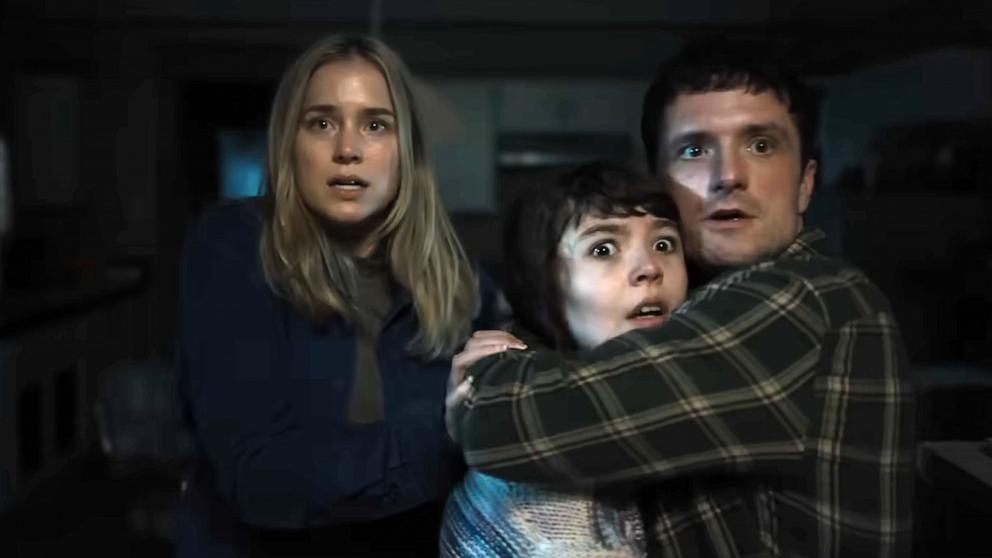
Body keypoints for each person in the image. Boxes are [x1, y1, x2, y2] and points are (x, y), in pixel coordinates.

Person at [447, 39, 915, 557]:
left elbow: (515, 421)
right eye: (694, 150)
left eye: (761, 145)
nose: (729, 176)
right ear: (661, 186)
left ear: (806, 184)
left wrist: (487, 379)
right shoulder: (695, 301)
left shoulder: (804, 297)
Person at [175, 34, 500, 557]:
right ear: (290, 143)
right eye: (322, 123)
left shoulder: (460, 281)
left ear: (406, 151)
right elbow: (260, 482)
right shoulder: (234, 246)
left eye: (375, 125)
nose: (347, 149)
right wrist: (446, 429)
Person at [440, 162, 689, 557]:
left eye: (664, 244)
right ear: (545, 283)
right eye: (603, 249)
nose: (649, 269)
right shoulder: (534, 490)